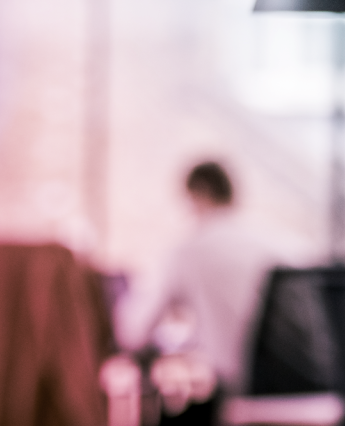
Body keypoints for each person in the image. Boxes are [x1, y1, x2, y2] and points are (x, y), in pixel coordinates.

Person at [116, 161, 300, 394]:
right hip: (296, 387)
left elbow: (133, 333)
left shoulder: (189, 250)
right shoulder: (276, 245)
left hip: (237, 392)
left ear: (198, 194)